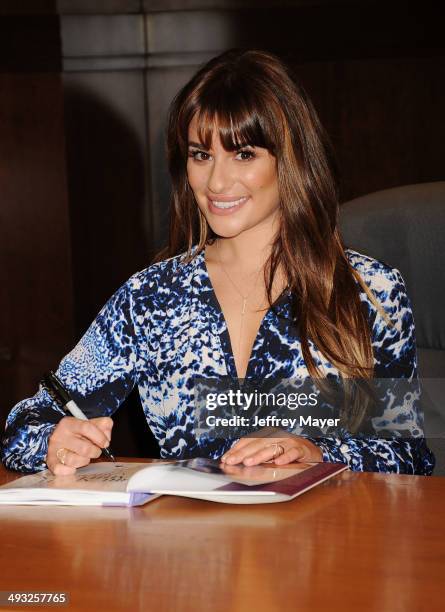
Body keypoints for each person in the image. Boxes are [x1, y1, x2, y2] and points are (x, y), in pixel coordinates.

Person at [1, 49, 434, 476]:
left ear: (291, 159)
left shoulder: (369, 291)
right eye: (200, 155)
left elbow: (407, 457)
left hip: (324, 540)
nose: (216, 181)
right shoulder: (151, 298)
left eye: (243, 154)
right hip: (190, 541)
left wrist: (315, 451)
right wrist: (54, 441)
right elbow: (25, 426)